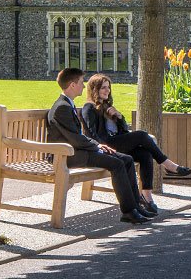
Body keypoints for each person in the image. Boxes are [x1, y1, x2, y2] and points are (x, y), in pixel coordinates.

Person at [47, 68, 150, 224]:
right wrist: (99, 147)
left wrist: (98, 146)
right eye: (81, 82)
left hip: (77, 151)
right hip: (65, 155)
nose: (83, 86)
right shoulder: (62, 107)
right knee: (116, 163)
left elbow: (78, 137)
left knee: (127, 159)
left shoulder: (68, 104)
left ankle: (136, 206)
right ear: (72, 85)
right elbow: (75, 139)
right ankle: (128, 211)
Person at [80, 73, 191, 215]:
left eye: (108, 87)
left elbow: (124, 130)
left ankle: (147, 196)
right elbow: (91, 134)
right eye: (103, 88)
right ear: (94, 89)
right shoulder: (89, 108)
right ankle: (168, 165)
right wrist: (102, 148)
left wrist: (119, 117)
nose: (107, 90)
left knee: (145, 154)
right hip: (106, 146)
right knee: (141, 135)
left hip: (117, 143)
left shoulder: (107, 107)